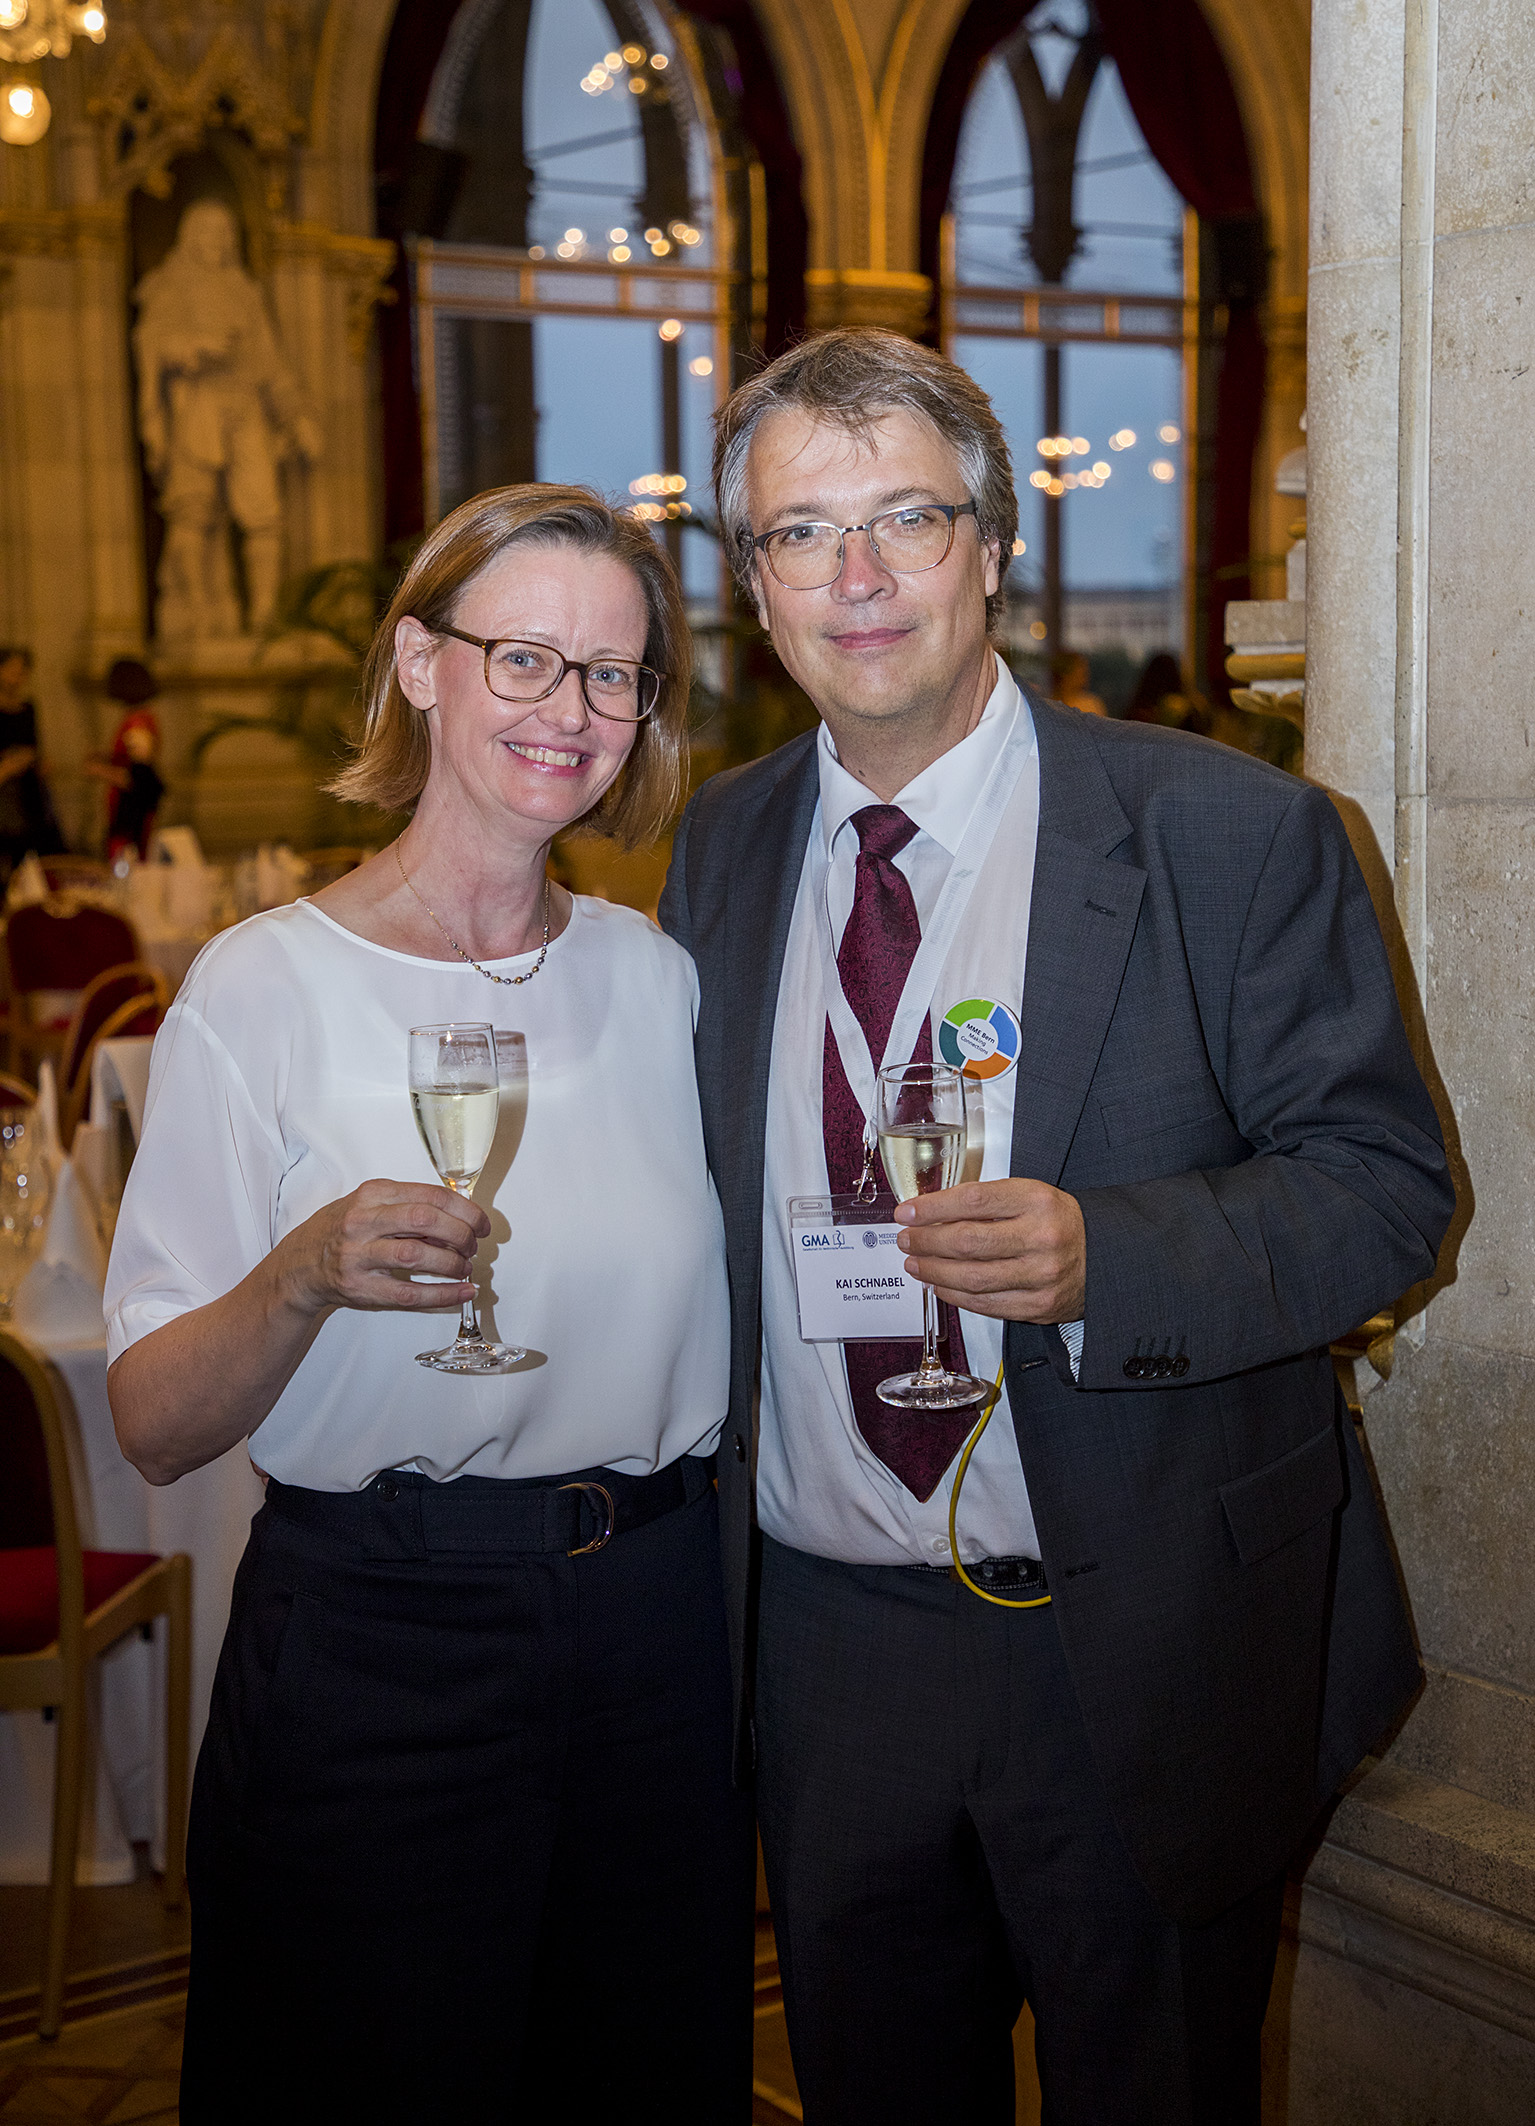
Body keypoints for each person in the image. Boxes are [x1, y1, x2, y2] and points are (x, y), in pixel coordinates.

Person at [659, 328, 1454, 2124]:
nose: (857, 578)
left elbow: (1385, 1188)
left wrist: (1112, 1260)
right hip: (825, 1647)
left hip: (1134, 1641)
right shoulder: (719, 847)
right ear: (754, 589)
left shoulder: (1227, 833)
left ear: (994, 548)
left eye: (906, 519)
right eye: (801, 534)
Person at [105, 487, 753, 2123]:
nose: (570, 710)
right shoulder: (262, 988)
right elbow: (153, 1421)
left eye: (612, 674)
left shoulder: (658, 978)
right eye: (522, 657)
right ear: (417, 663)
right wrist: (301, 1274)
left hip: (656, 1635)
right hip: (380, 1642)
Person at [83, 659, 166, 860]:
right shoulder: (141, 717)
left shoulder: (137, 723)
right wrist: (107, 756)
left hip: (131, 810)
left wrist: (98, 770)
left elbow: (138, 776)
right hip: (130, 806)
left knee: (125, 858)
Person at [0, 646, 65, 882]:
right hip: (5, 794)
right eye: (12, 671)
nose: (18, 677)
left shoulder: (28, 709)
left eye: (22, 672)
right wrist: (8, 766)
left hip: (29, 792)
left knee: (39, 859)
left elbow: (35, 748)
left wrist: (38, 763)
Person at [1049, 646, 1106, 716]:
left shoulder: (1091, 704)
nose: (1086, 674)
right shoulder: (1049, 704)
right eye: (1081, 670)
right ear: (1065, 674)